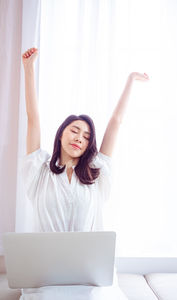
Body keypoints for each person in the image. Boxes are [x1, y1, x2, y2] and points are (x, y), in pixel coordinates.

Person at [20, 47, 149, 300]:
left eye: (87, 136)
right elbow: (32, 118)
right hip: (46, 277)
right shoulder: (39, 170)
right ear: (61, 133)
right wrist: (28, 69)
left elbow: (116, 121)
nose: (80, 138)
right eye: (74, 130)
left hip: (88, 278)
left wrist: (130, 80)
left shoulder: (96, 172)